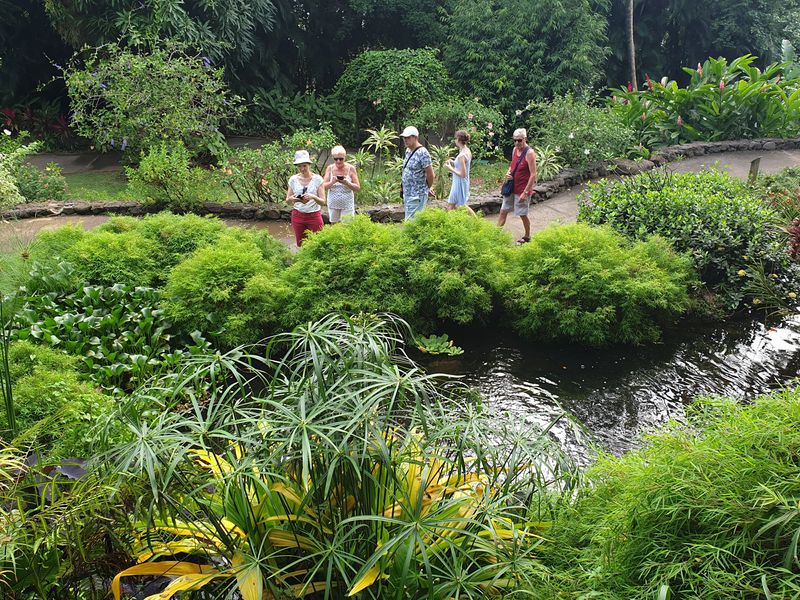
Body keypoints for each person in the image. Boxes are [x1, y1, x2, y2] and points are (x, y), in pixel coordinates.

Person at [498, 128, 537, 244]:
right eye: (515, 140)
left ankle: (527, 236)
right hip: (511, 187)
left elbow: (533, 174)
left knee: (522, 214)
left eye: (519, 140)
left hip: (522, 189)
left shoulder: (530, 153)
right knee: (503, 210)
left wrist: (525, 192)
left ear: (525, 139)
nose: (516, 143)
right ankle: (495, 234)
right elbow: (512, 165)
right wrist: (508, 172)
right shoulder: (515, 150)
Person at [286, 149, 326, 247]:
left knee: (318, 243)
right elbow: (287, 201)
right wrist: (295, 199)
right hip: (298, 215)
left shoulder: (317, 179)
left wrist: (313, 197)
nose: (302, 168)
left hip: (314, 216)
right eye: (299, 166)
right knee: (301, 244)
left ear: (309, 165)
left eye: (304, 165)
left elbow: (323, 202)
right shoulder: (293, 179)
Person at [399, 126, 434, 220]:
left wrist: (427, 187)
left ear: (415, 138)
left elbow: (430, 174)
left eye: (408, 138)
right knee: (413, 222)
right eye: (404, 138)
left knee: (411, 223)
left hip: (417, 194)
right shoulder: (408, 151)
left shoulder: (423, 153)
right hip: (408, 193)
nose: (405, 140)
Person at [322, 145, 360, 223]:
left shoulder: (351, 168)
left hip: (347, 203)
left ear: (345, 157)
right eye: (336, 159)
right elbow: (323, 187)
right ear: (333, 158)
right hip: (333, 203)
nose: (338, 161)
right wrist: (332, 182)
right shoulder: (330, 168)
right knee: (334, 225)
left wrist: (347, 183)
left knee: (347, 226)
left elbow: (357, 188)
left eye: (341, 159)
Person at [445, 130, 475, 216]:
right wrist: (453, 162)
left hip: (460, 183)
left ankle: (476, 221)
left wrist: (450, 168)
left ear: (458, 140)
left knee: (457, 205)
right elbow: (461, 166)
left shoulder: (462, 155)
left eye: (455, 138)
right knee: (454, 205)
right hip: (459, 182)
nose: (454, 140)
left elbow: (463, 173)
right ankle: (476, 221)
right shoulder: (466, 150)